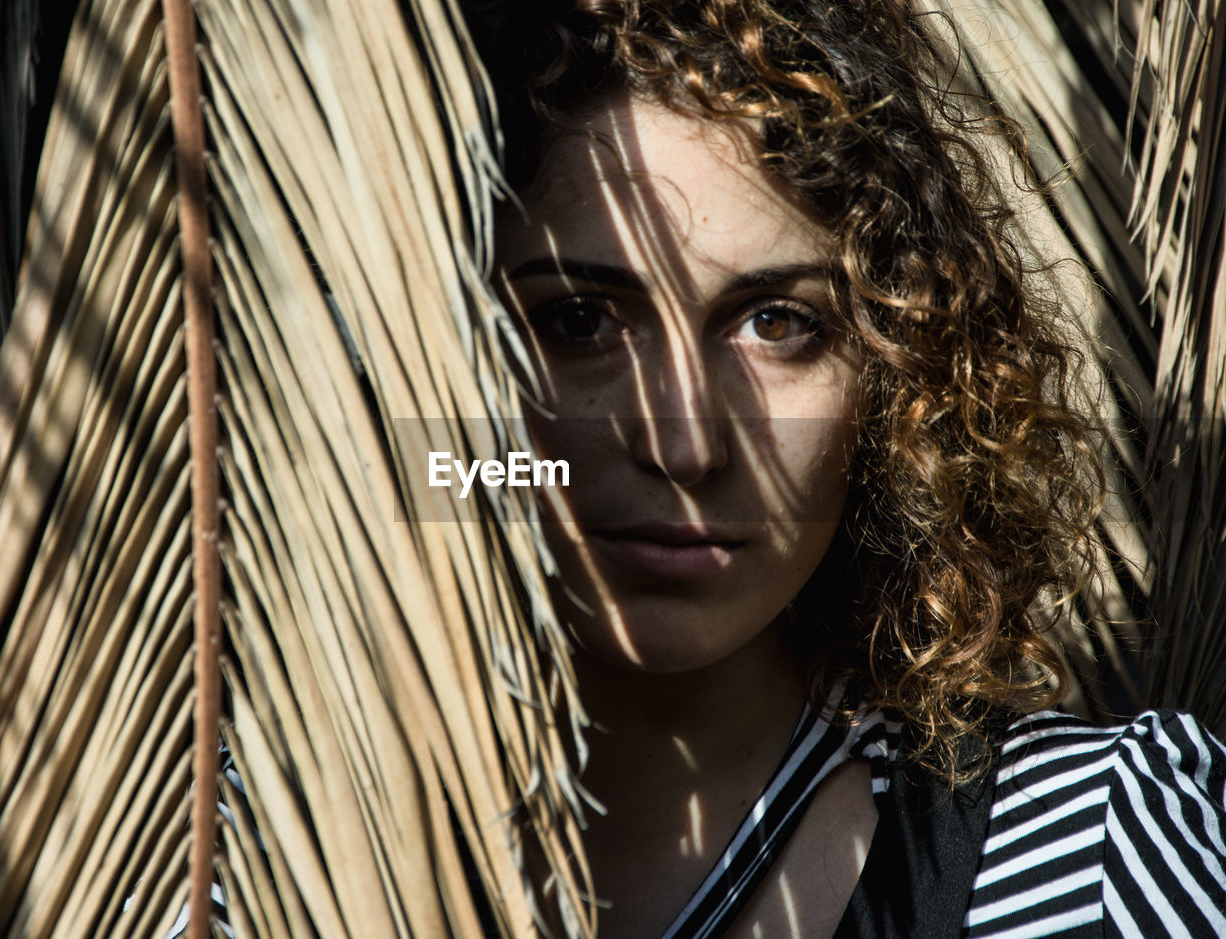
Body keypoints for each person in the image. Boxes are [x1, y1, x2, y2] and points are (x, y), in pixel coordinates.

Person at [463, 0, 1226, 936]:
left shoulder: (1091, 859)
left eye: (778, 324)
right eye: (577, 320)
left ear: (897, 382)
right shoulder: (239, 854)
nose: (684, 445)